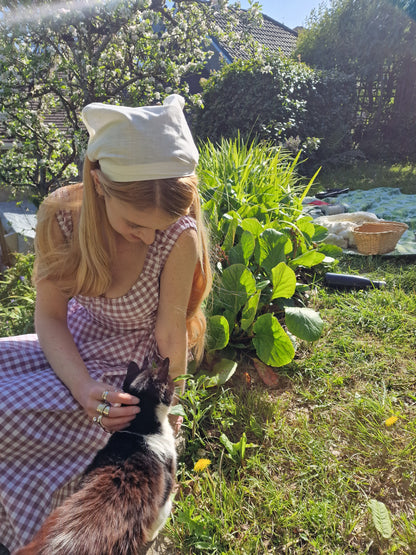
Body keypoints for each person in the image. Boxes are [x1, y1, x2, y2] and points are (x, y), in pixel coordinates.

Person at [0, 94, 212, 553]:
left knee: (90, 453)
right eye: (136, 224)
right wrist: (79, 385)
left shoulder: (178, 237)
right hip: (69, 347)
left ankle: (44, 535)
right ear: (98, 183)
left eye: (162, 226)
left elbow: (170, 335)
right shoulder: (62, 218)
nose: (150, 237)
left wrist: (169, 408)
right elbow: (51, 317)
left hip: (129, 367)